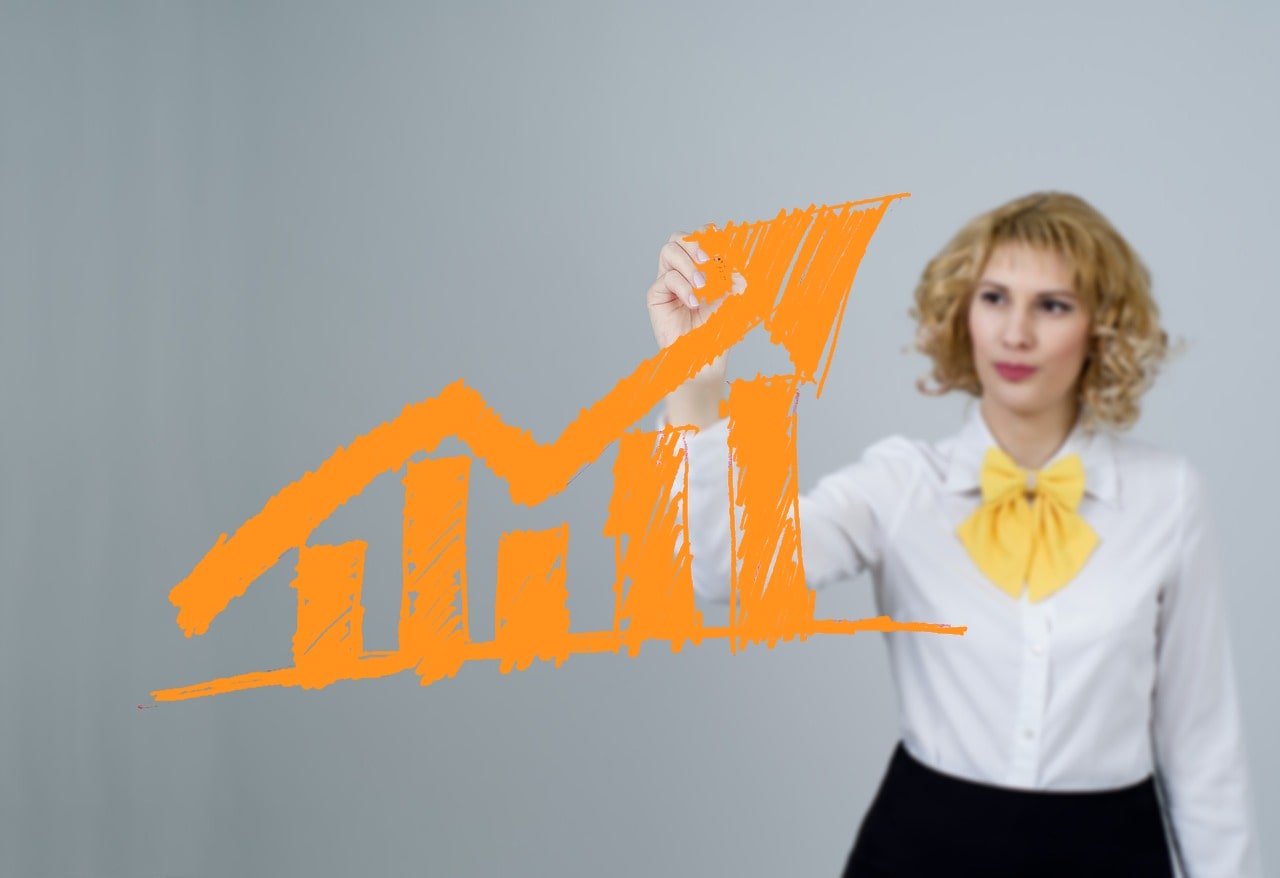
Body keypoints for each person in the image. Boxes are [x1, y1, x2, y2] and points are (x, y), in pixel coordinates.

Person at [646, 192, 1263, 877]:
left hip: (1112, 853)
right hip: (924, 849)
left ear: (1102, 327)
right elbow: (724, 573)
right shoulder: (903, 483)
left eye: (1052, 305)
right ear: (963, 312)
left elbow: (1202, 745)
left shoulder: (1168, 496)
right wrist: (695, 389)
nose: (1015, 332)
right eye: (995, 298)